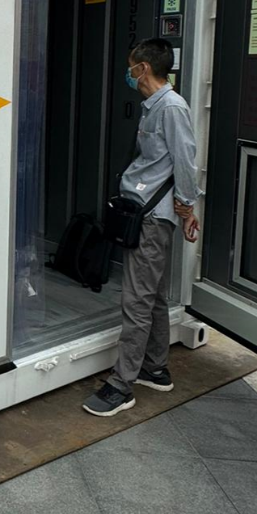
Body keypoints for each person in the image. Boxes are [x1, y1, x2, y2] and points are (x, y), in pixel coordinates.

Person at [83, 37, 201, 417]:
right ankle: (155, 367)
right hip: (144, 214)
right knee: (149, 297)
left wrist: (187, 206)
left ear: (143, 69)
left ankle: (122, 385)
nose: (128, 73)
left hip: (153, 219)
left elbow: (186, 159)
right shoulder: (154, 106)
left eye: (131, 67)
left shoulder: (171, 107)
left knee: (136, 300)